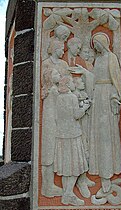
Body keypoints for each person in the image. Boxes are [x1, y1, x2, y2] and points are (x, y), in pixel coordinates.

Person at [70, 32, 121, 195]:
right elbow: (94, 78)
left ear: (103, 42)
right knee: (97, 136)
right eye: (94, 45)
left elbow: (116, 79)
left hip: (107, 98)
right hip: (97, 97)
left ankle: (107, 175)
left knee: (106, 136)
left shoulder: (111, 57)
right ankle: (99, 171)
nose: (96, 47)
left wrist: (114, 97)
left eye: (97, 44)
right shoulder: (98, 59)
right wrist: (84, 72)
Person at [53, 76, 90, 205]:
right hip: (73, 134)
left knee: (65, 167)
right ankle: (68, 194)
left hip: (61, 135)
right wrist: (85, 108)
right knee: (75, 166)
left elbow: (59, 116)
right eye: (71, 82)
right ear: (68, 85)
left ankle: (66, 194)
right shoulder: (72, 97)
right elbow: (76, 115)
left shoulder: (59, 98)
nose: (74, 84)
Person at [41, 38, 69, 197]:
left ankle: (53, 185)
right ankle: (47, 186)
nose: (63, 51)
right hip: (51, 118)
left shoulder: (64, 65)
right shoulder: (46, 64)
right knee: (48, 150)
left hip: (59, 116)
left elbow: (66, 81)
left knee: (57, 150)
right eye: (61, 48)